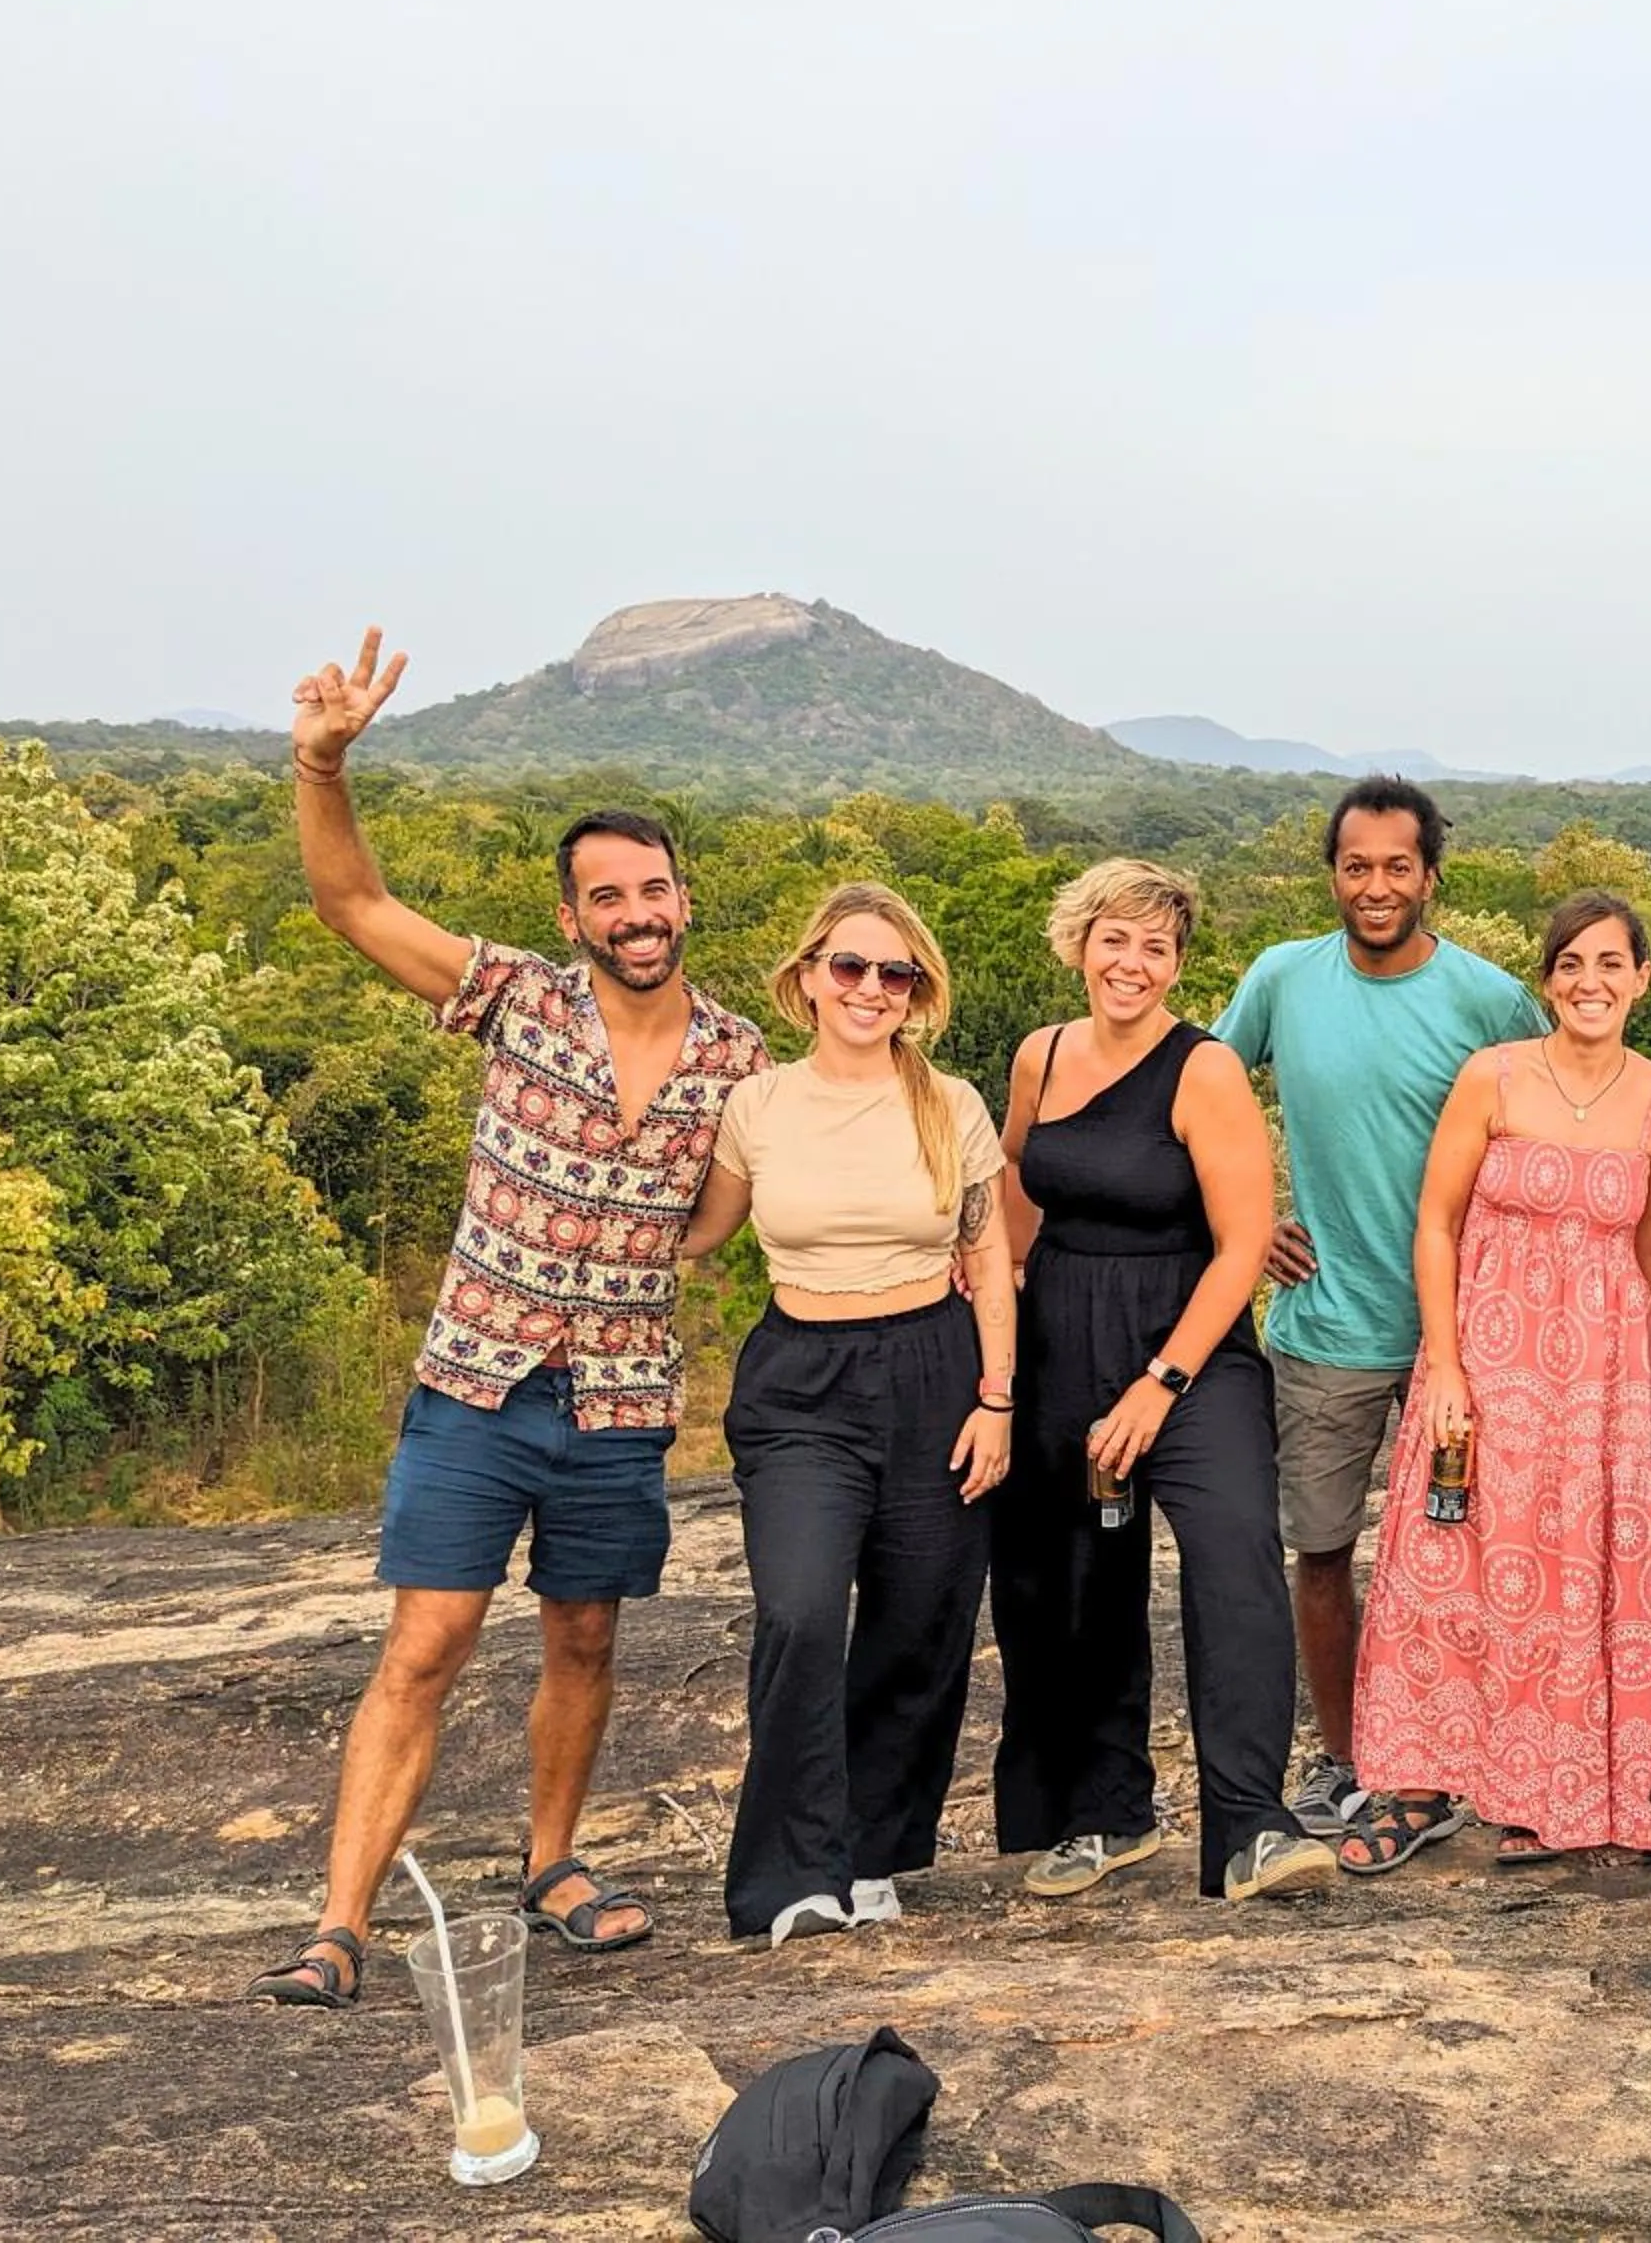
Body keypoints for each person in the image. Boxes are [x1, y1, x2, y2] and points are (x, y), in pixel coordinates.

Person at [247, 629, 769, 2007]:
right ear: (574, 914)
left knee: (586, 1633)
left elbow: (745, 1203)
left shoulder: (737, 1054)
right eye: (609, 895)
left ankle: (550, 1865)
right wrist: (322, 765)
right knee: (427, 1640)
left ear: (685, 897)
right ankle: (341, 1920)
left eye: (655, 887)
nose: (637, 911)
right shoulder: (517, 998)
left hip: (619, 1395)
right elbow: (352, 903)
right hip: (480, 1382)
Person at [989, 860, 1339, 1901]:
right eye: (1115, 940)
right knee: (1079, 1580)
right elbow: (1014, 1206)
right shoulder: (1039, 1058)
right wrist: (1002, 1357)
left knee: (1233, 1553)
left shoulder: (1204, 1071)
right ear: (1078, 942)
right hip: (1061, 1335)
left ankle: (1251, 1825)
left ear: (1179, 964)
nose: (1131, 964)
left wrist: (1160, 1383)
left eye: (1156, 947)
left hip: (1191, 1342)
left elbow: (1240, 1248)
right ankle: (1106, 1811)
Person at [679, 883, 1015, 1946]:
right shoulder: (757, 1106)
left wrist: (997, 1398)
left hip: (934, 1371)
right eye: (850, 968)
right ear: (809, 978)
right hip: (800, 1381)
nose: (870, 988)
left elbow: (989, 1256)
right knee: (802, 1614)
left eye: (895, 973)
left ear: (917, 993)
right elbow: (697, 1233)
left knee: (921, 1623)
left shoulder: (949, 1104)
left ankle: (873, 1852)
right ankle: (789, 1876)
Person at [1213, 778, 1545, 1837]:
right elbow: (1192, 1102)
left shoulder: (1489, 1001)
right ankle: (1354, 1757)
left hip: (1471, 1338)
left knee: (1483, 1554)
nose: (1376, 885)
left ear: (1432, 875)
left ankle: (1482, 1752)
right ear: (1333, 874)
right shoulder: (1283, 979)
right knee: (1320, 1551)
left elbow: (1560, 1123)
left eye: (1398, 865)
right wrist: (1248, 1223)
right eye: (1356, 865)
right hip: (1328, 1328)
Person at [1338, 893, 1651, 1871]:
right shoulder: (1492, 1077)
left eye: (1611, 964)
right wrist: (1445, 1365)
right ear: (1547, 980)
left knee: (1578, 1585)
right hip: (1489, 1364)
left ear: (1640, 979)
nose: (1591, 982)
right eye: (1571, 964)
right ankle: (1416, 1789)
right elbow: (1437, 1222)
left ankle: (1554, 1795)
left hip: (1603, 1379)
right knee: (1446, 1575)